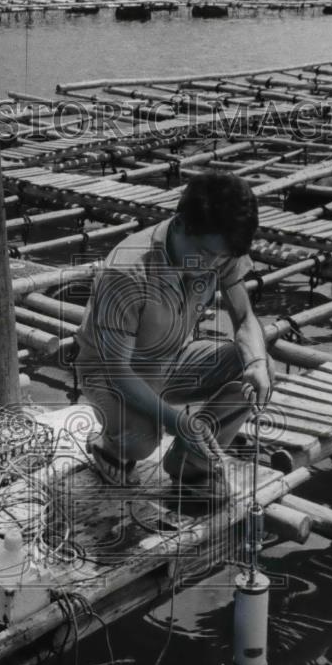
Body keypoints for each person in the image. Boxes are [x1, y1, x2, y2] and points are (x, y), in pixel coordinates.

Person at [74, 170, 274, 501]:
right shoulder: (126, 271)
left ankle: (190, 465)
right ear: (181, 224)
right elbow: (118, 372)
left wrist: (255, 362)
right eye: (209, 254)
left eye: (224, 257)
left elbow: (244, 318)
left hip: (170, 358)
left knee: (260, 367)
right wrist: (181, 422)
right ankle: (107, 448)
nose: (215, 263)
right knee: (139, 442)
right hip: (109, 372)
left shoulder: (219, 248)